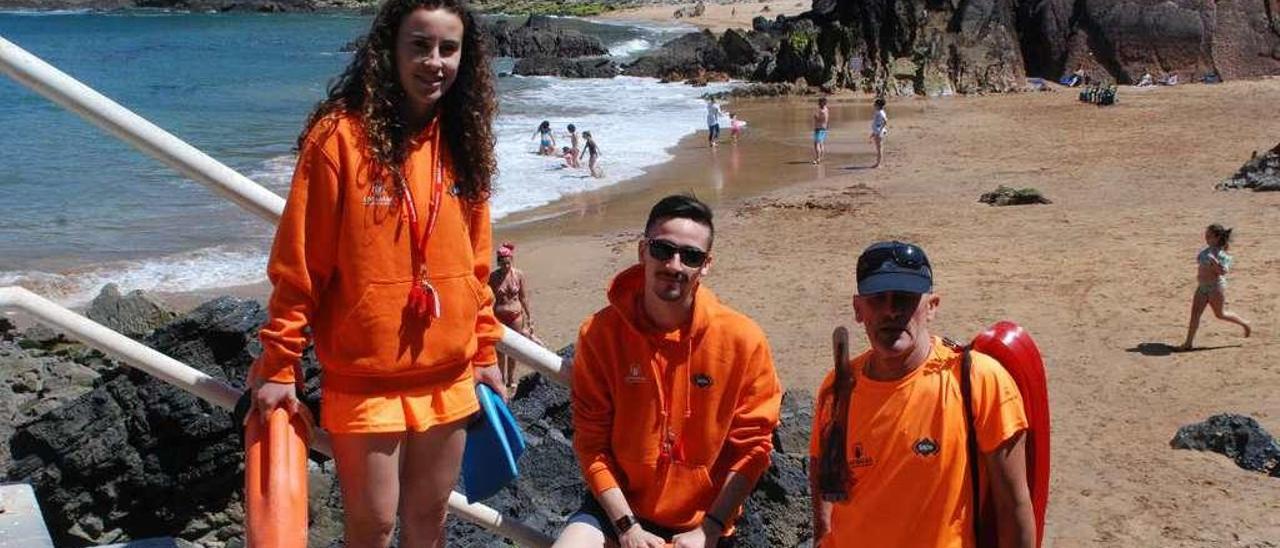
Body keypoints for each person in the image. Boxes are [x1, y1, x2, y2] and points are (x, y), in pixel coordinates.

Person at [249, 0, 505, 545]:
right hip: (365, 380)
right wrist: (279, 364)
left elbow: (476, 265)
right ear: (388, 50)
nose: (434, 61)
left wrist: (484, 354)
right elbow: (301, 262)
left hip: (450, 375)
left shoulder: (463, 139)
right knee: (372, 525)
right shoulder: (338, 137)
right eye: (419, 45)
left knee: (429, 522)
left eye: (448, 48)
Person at [555, 195, 783, 548]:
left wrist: (709, 528)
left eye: (690, 256)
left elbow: (754, 449)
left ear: (706, 265)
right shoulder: (601, 333)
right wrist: (627, 527)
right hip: (619, 510)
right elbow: (591, 443)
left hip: (705, 521)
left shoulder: (743, 340)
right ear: (643, 251)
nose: (675, 264)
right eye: (663, 250)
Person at [810, 241, 1036, 548]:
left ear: (931, 306)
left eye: (904, 298)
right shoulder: (837, 388)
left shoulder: (977, 380)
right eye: (878, 299)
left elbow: (1014, 508)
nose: (891, 310)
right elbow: (822, 474)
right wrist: (822, 535)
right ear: (858, 309)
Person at [1179, 224, 1251, 350]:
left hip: (1215, 289)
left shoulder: (1223, 255)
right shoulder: (1203, 253)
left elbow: (1223, 272)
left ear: (1217, 238)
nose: (1206, 237)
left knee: (1220, 314)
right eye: (1206, 235)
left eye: (1209, 235)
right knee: (1195, 315)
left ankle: (1244, 323)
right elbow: (1200, 267)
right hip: (1201, 288)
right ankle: (1188, 343)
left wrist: (1215, 263)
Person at [489, 242, 537, 392]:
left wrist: (529, 316)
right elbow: (488, 299)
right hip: (499, 317)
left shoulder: (518, 275)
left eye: (508, 263)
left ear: (512, 261)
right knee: (500, 352)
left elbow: (523, 297)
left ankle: (510, 378)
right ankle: (501, 379)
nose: (506, 267)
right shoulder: (493, 277)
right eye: (503, 264)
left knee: (514, 351)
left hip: (516, 317)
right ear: (498, 262)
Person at [869, 97, 887, 168]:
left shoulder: (880, 112)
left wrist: (880, 130)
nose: (873, 105)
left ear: (878, 106)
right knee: (878, 148)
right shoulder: (878, 112)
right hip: (877, 131)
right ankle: (878, 163)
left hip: (879, 132)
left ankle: (878, 164)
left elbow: (885, 121)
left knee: (879, 148)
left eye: (875, 104)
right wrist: (873, 133)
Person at [813, 97, 829, 164]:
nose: (818, 104)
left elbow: (821, 119)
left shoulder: (822, 111)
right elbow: (826, 120)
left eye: (819, 103)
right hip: (824, 128)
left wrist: (816, 117)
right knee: (821, 143)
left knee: (816, 144)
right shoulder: (826, 109)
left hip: (819, 128)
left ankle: (818, 159)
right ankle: (820, 158)